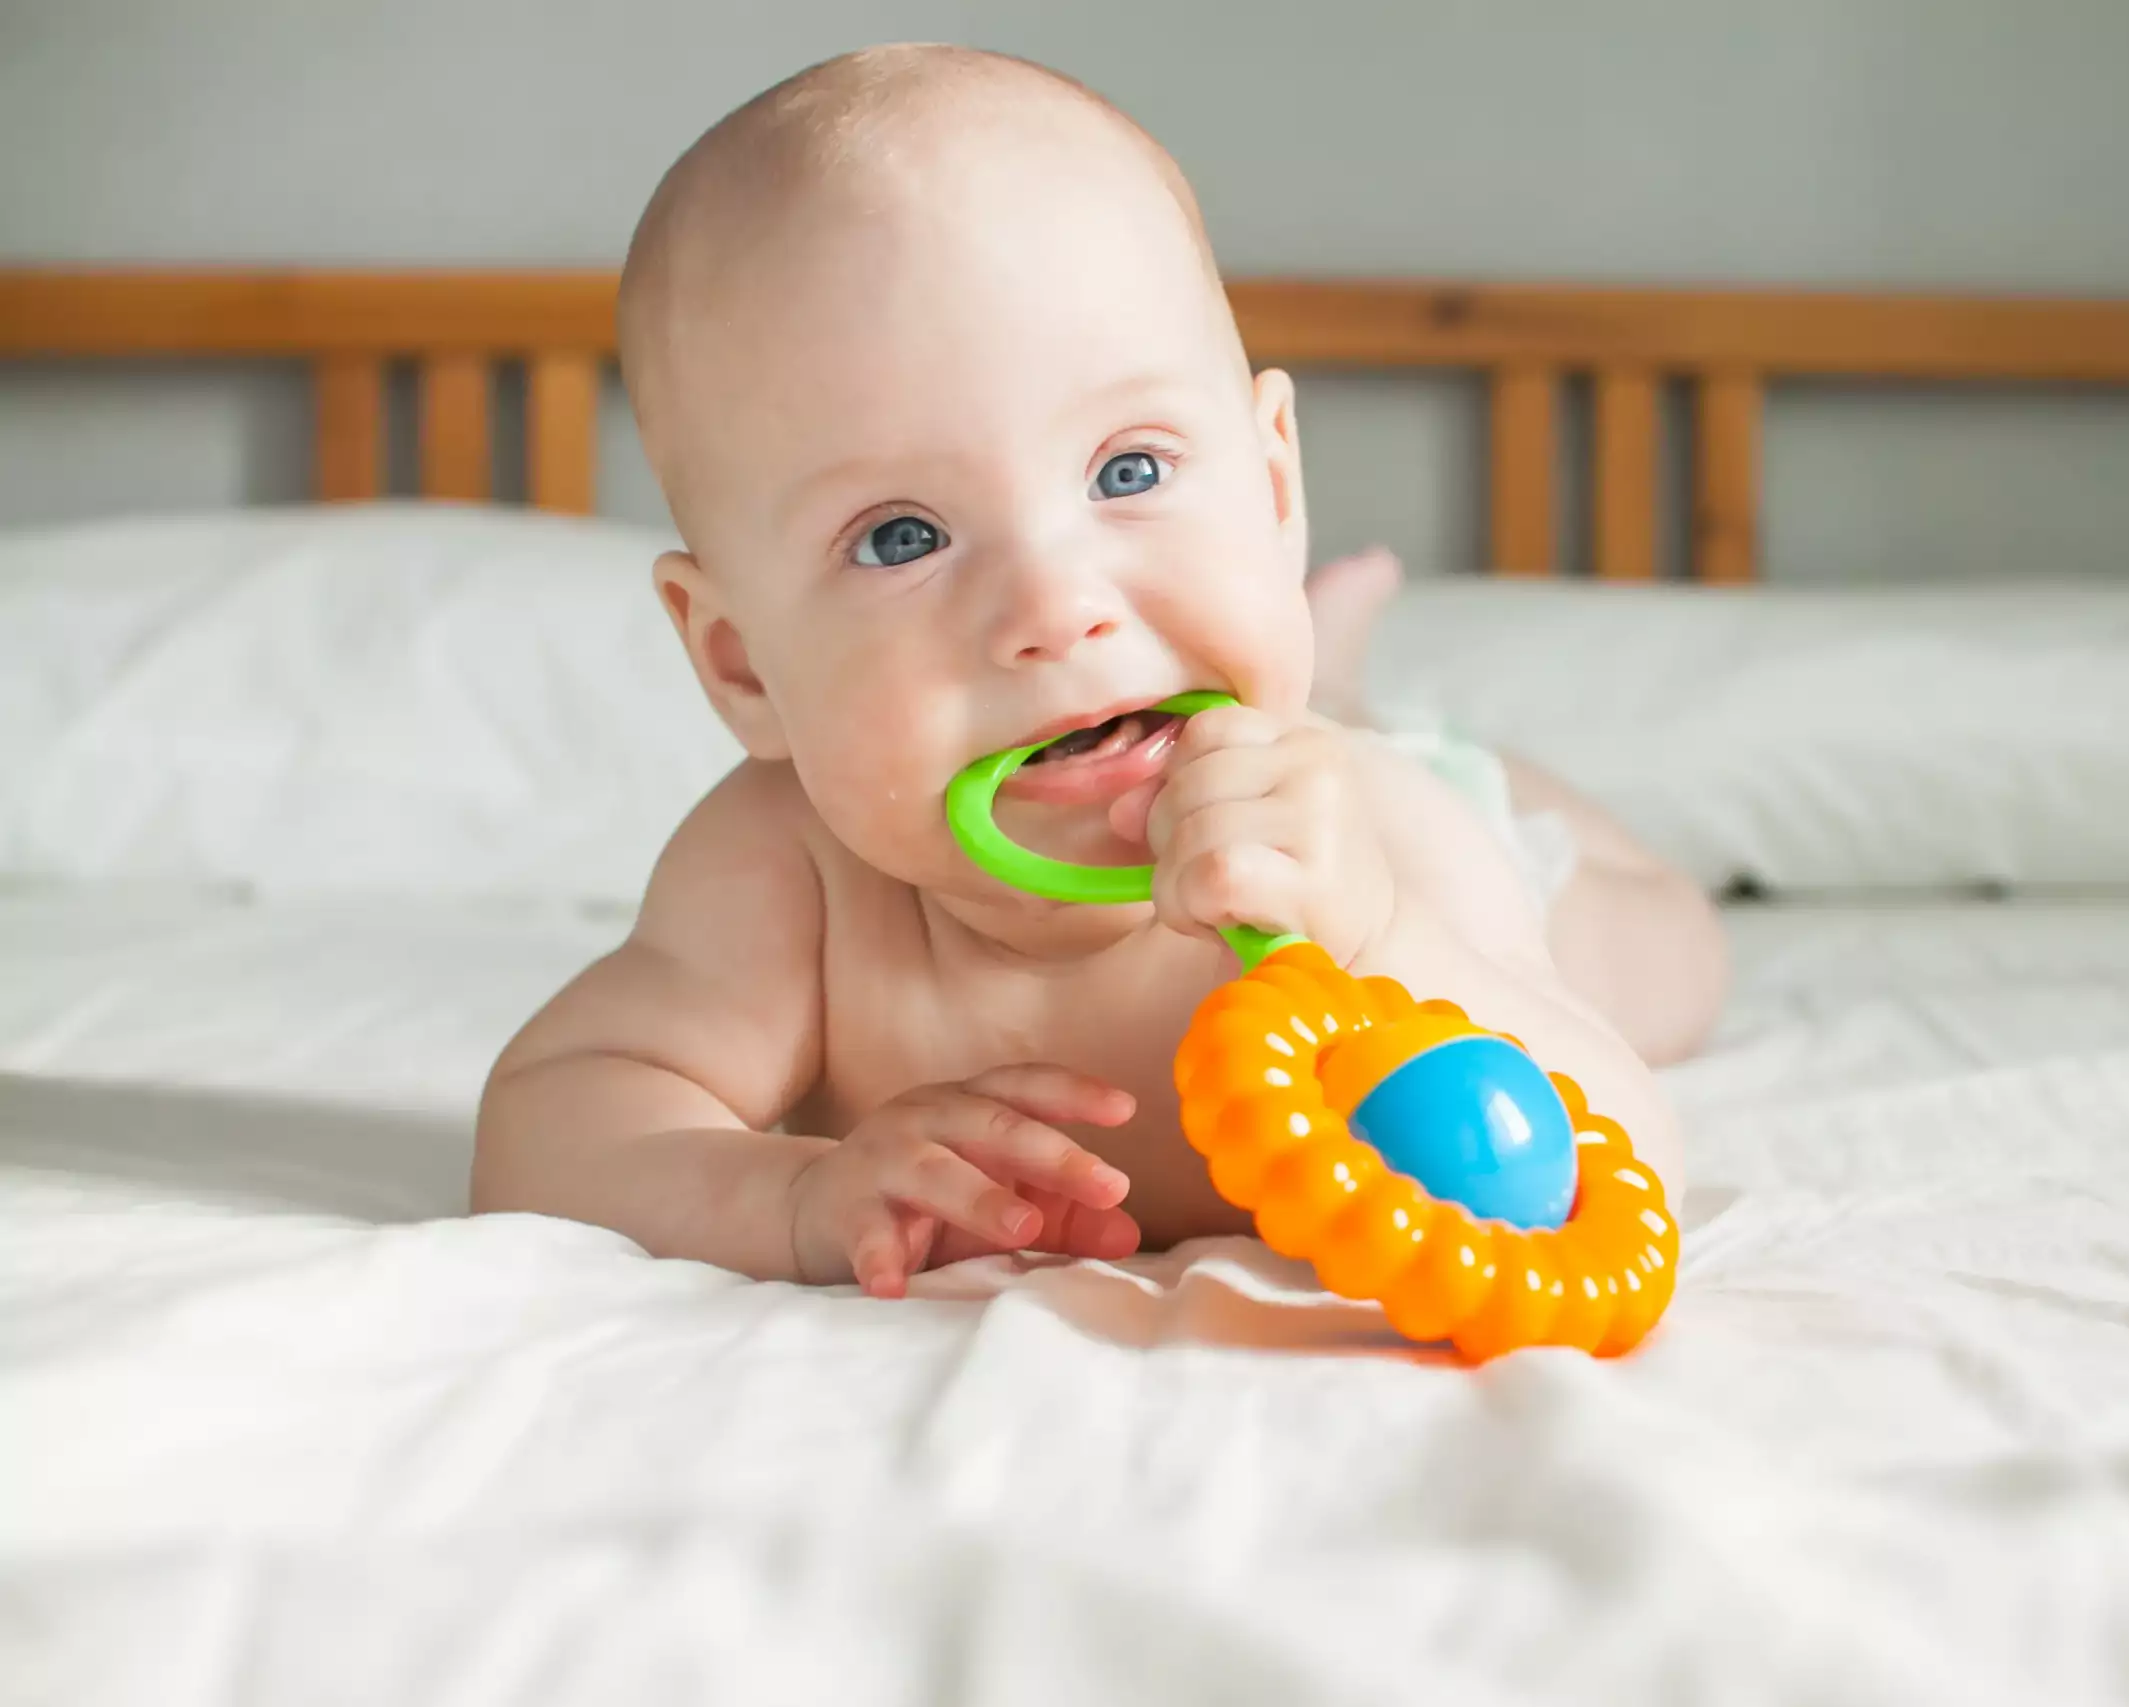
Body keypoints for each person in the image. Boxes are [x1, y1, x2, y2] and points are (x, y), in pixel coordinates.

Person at [471, 45, 1725, 1299]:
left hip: (1450, 842)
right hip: (1209, 752)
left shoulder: (1377, 841)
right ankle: (1331, 668)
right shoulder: (786, 874)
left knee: (1671, 955)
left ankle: (1358, 700)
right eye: (902, 538)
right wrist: (792, 1193)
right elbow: (551, 1125)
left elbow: (1623, 1153)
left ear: (1273, 486)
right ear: (741, 665)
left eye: (1129, 471)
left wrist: (1375, 935)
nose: (1057, 611)